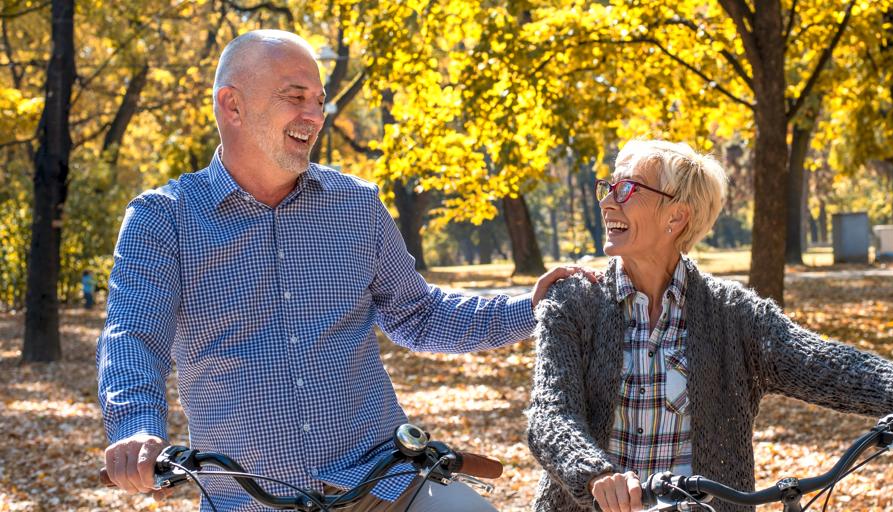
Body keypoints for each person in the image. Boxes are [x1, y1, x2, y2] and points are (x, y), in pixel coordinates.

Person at [97, 30, 590, 512]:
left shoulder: (356, 205)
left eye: (319, 101)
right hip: (246, 499)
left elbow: (418, 314)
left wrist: (532, 308)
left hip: (385, 482)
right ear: (233, 105)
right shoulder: (163, 219)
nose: (315, 116)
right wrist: (136, 427)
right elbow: (134, 336)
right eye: (295, 97)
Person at [525, 139, 893, 512]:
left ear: (676, 216)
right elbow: (551, 413)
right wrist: (596, 475)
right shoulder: (574, 301)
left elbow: (820, 362)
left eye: (627, 189)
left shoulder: (733, 314)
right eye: (608, 187)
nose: (608, 201)